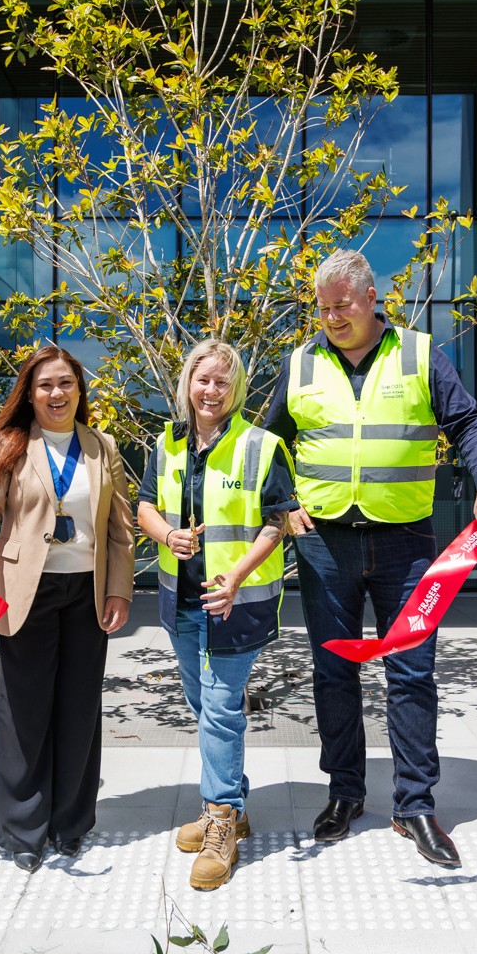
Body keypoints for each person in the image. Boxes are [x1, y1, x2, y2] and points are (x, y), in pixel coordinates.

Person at [263, 249, 477, 868]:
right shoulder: (299, 364)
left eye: (341, 306)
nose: (331, 318)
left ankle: (415, 805)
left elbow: (469, 423)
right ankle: (344, 793)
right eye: (322, 309)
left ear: (372, 298)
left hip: (405, 545)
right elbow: (265, 444)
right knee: (333, 673)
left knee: (411, 673)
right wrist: (282, 502)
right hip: (324, 545)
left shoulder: (420, 355)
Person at [0, 346, 133, 873]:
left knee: (79, 709)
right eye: (45, 385)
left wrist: (120, 591)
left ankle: (70, 824)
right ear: (30, 391)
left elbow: (120, 529)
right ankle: (23, 830)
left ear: (79, 389)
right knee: (25, 712)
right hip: (26, 589)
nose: (57, 394)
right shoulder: (8, 444)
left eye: (66, 383)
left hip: (87, 591)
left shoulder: (101, 446)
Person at [136, 340, 298, 890]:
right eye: (202, 380)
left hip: (238, 602)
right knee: (202, 704)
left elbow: (279, 522)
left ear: (237, 389)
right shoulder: (166, 442)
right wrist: (167, 534)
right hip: (180, 599)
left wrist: (238, 576)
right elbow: (144, 506)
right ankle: (230, 807)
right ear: (187, 384)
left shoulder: (262, 445)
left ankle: (222, 819)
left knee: (223, 709)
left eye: (222, 383)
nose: (211, 391)